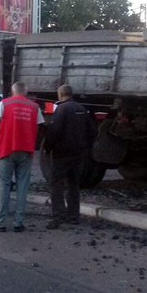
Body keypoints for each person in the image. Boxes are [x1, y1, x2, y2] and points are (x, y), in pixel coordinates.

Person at [0, 81, 44, 232]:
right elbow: (38, 127)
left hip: (7, 148)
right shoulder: (34, 106)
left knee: (4, 186)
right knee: (23, 186)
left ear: (13, 91)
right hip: (26, 149)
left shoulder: (4, 103)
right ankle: (19, 223)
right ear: (25, 92)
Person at [43, 84, 97, 229]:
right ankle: (74, 216)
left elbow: (54, 131)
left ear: (60, 95)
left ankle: (58, 216)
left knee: (57, 184)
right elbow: (92, 131)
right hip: (79, 154)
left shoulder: (61, 109)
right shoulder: (81, 109)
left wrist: (47, 148)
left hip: (62, 154)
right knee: (74, 185)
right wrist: (86, 147)